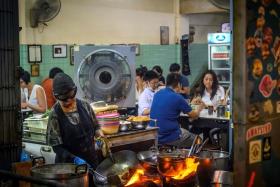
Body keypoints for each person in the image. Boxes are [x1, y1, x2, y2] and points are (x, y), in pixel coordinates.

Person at [47, 73, 104, 169]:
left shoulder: (85, 106)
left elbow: (96, 127)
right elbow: (56, 147)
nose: (69, 100)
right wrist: (74, 159)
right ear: (56, 96)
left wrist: (101, 138)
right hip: (69, 168)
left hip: (91, 161)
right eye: (64, 98)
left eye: (71, 95)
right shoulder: (55, 115)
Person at [150, 73, 203, 148]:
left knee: (184, 131)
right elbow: (194, 115)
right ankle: (185, 157)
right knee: (199, 140)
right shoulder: (177, 97)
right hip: (169, 136)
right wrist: (199, 109)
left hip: (155, 135)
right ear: (179, 84)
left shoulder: (157, 94)